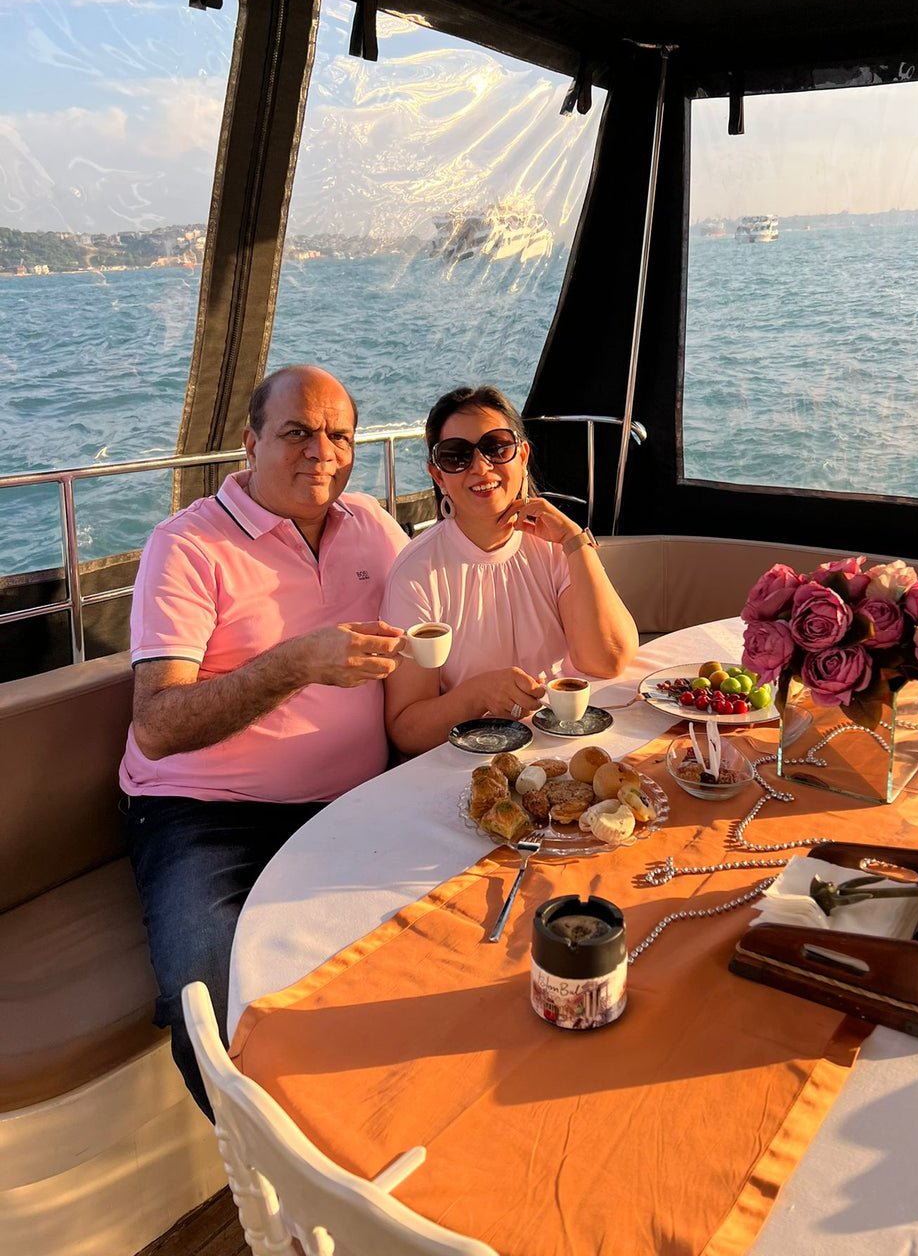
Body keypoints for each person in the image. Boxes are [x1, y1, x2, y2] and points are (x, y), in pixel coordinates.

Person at [120, 365, 409, 1116]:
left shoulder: (374, 527)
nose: (323, 451)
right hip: (206, 814)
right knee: (211, 1001)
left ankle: (388, 1126)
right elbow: (157, 727)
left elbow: (441, 609)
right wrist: (295, 664)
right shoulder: (186, 547)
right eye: (297, 433)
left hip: (355, 801)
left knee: (454, 932)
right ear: (249, 443)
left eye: (339, 434)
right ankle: (275, 1187)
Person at [381, 384, 637, 755]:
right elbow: (408, 729)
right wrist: (478, 695)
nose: (481, 467)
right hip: (480, 760)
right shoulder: (418, 573)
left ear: (523, 455)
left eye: (496, 447)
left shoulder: (555, 546)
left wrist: (573, 541)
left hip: (568, 743)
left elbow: (607, 659)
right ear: (438, 476)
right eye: (456, 456)